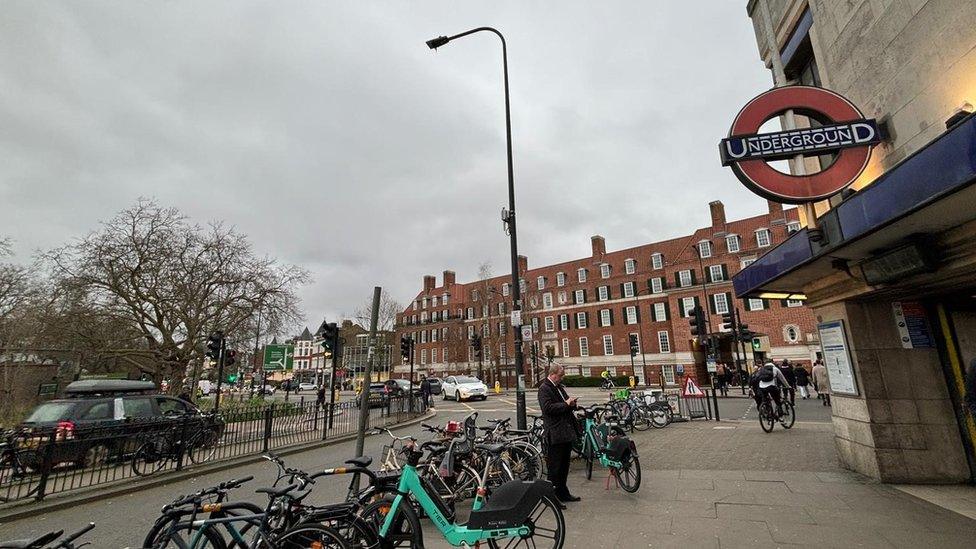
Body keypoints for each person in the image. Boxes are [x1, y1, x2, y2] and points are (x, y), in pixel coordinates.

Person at [538, 363, 580, 505]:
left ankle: (563, 492)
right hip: (555, 432)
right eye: (560, 375)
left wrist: (572, 404)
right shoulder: (544, 389)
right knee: (554, 468)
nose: (561, 378)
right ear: (552, 374)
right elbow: (548, 408)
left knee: (564, 466)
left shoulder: (559, 388)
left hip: (565, 431)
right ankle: (551, 497)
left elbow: (565, 403)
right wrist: (566, 404)